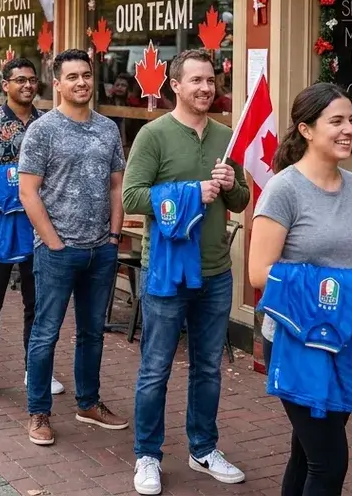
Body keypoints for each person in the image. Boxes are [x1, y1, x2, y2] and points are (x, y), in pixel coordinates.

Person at [248, 82, 352, 496]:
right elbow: (260, 273)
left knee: (307, 454)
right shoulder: (284, 190)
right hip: (298, 342)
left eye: (351, 120)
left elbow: (351, 255)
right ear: (307, 130)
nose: (349, 128)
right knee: (329, 463)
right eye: (336, 121)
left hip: (349, 338)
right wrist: (348, 284)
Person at [122, 51, 251, 494]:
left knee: (207, 369)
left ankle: (203, 448)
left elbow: (241, 202)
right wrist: (188, 193)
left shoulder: (226, 136)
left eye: (211, 80)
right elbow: (133, 198)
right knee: (155, 369)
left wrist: (234, 186)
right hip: (166, 273)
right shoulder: (153, 135)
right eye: (196, 80)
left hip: (215, 272)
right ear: (175, 85)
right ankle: (147, 455)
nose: (205, 88)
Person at [18, 49, 128, 445]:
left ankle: (89, 403)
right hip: (58, 251)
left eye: (86, 74)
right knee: (46, 332)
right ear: (58, 83)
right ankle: (39, 413)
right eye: (72, 76)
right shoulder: (43, 130)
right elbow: (28, 192)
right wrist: (53, 241)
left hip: (101, 248)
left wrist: (114, 237)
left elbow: (117, 185)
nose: (81, 82)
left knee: (92, 332)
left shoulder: (108, 129)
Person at [0, 57, 65, 402]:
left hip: (39, 225)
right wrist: (11, 178)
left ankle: (34, 369)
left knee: (36, 303)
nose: (27, 85)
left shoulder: (49, 123)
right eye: (19, 80)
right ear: (5, 84)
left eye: (32, 80)